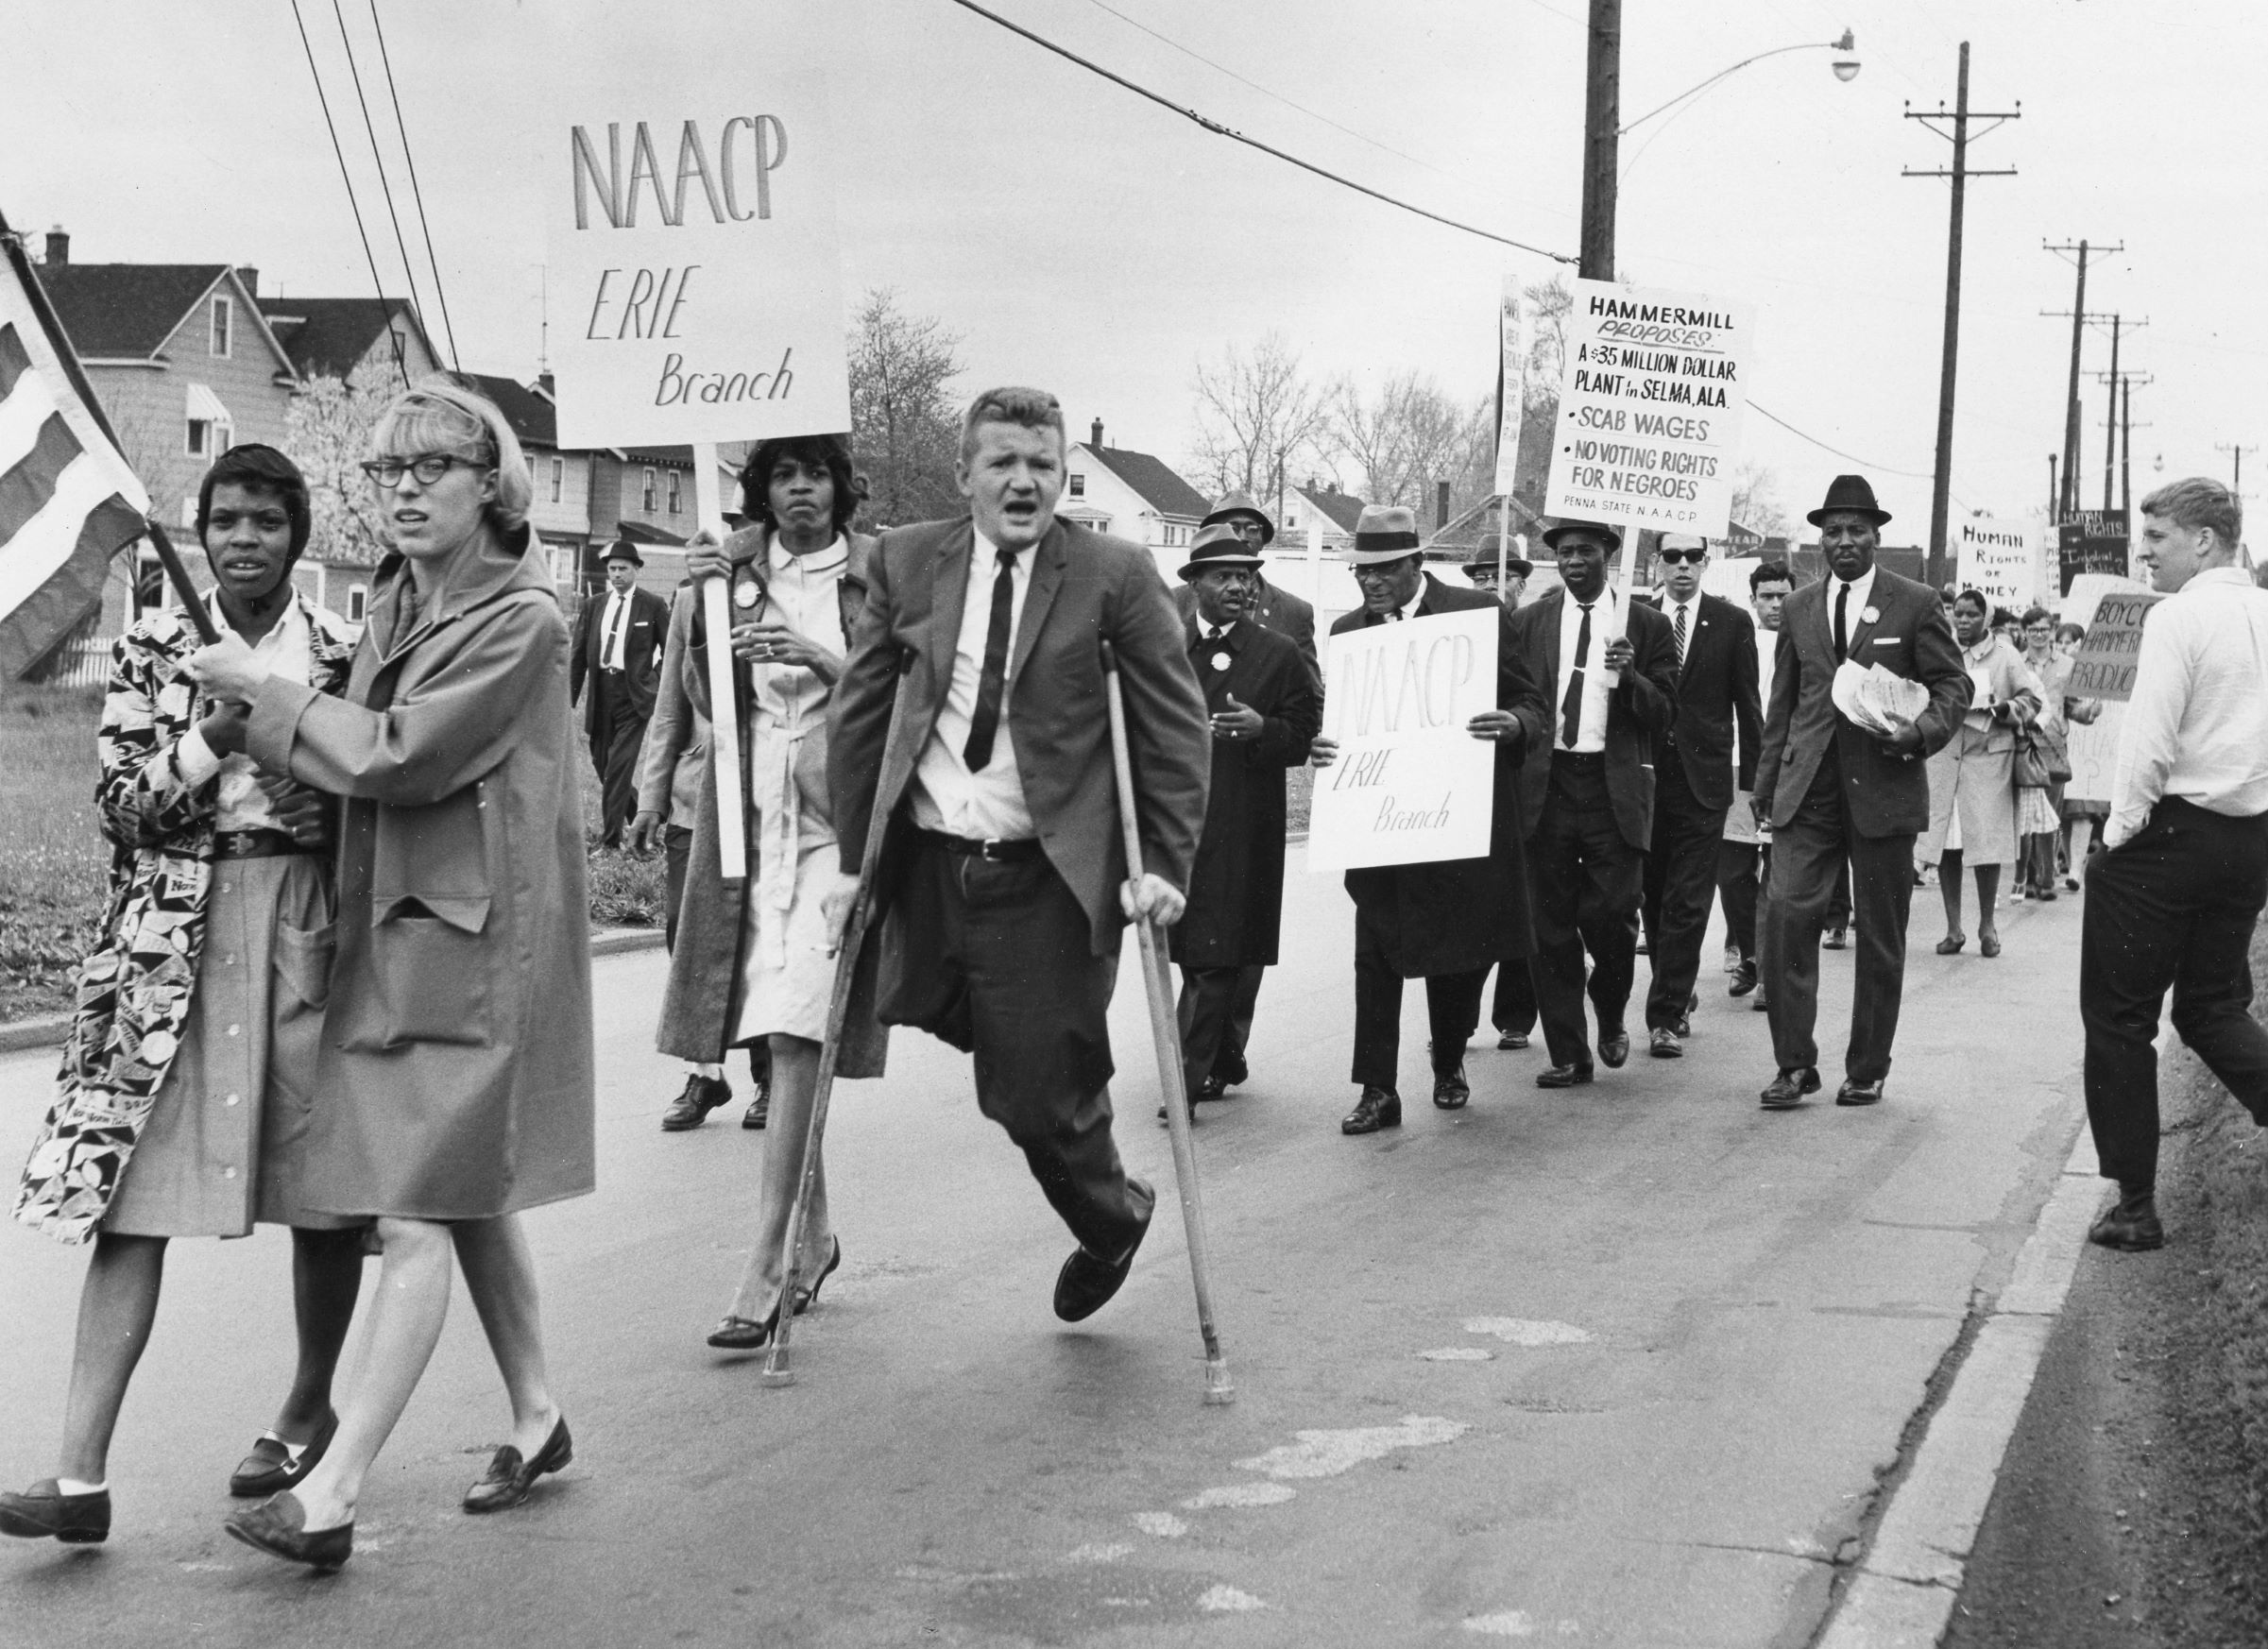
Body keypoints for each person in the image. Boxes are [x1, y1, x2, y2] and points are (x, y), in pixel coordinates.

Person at [189, 380, 595, 1569]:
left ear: (493, 483)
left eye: (433, 469)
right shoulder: (398, 600)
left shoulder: (525, 622)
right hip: (404, 936)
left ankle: (335, 1492)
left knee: (416, 1212)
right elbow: (352, 759)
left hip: (478, 952)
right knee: (465, 1197)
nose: (407, 491)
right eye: (388, 472)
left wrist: (267, 698)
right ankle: (537, 1416)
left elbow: (402, 755)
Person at [3, 447, 366, 1549]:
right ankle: (77, 1473)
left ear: (298, 535)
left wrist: (332, 820)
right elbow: (121, 805)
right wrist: (215, 731)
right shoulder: (159, 643)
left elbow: (387, 783)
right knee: (135, 1195)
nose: (245, 538)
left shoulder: (345, 650)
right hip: (172, 943)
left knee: (327, 1193)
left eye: (265, 520)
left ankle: (306, 1411)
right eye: (226, 520)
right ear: (201, 533)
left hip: (306, 923)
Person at [828, 387, 1209, 1324]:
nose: (1023, 481)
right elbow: (863, 714)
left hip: (1048, 874)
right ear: (964, 475)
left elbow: (1171, 731)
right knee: (978, 1044)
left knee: (1031, 1095)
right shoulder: (908, 562)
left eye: (1042, 464)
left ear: (1062, 474)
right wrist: (852, 865)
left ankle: (1111, 1216)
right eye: (1001, 462)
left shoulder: (1114, 576)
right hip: (932, 866)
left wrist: (1161, 862)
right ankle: (1055, 1063)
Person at [651, 434, 878, 1351]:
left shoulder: (870, 575)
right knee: (774, 1030)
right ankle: (816, 1237)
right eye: (782, 476)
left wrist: (818, 657)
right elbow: (707, 694)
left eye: (814, 475)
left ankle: (768, 1257)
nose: (799, 492)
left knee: (794, 1031)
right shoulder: (730, 571)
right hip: (749, 830)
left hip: (833, 825)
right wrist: (697, 605)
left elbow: (901, 690)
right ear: (761, 490)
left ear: (838, 487)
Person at [1311, 506, 1548, 1129]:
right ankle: (1376, 1090)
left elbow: (1529, 700)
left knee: (1456, 949)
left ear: (1416, 562)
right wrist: (1325, 749)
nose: (1371, 582)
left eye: (1384, 568)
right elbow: (1343, 722)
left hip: (1454, 817)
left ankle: (1448, 1061)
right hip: (1381, 822)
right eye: (1362, 571)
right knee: (1376, 954)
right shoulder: (1348, 631)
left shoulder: (1476, 614)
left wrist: (1516, 723)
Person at [2079, 477, 2268, 1251]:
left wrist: (2116, 838)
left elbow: (2146, 745)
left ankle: (2134, 1207)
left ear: (2203, 540)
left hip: (2169, 836)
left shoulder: (2178, 616)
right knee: (2209, 1006)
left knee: (2118, 1020)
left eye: (2155, 537)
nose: (2142, 552)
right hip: (2250, 836)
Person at [1752, 475, 1970, 1110]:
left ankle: (1867, 1066)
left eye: (1855, 531)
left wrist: (1920, 731)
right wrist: (1766, 785)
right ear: (1819, 540)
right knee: (1788, 919)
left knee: (1879, 934)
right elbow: (1783, 703)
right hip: (1806, 791)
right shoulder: (1797, 608)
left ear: (1877, 537)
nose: (1843, 542)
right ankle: (1793, 1065)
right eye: (1831, 533)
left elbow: (1953, 686)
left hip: (1882, 787)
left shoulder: (1916, 602)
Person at [1505, 519, 1678, 1087]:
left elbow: (1665, 715)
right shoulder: (1529, 622)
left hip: (1612, 789)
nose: (1574, 561)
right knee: (1548, 926)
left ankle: (1609, 1010)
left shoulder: (1645, 625)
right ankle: (1568, 1052)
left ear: (1610, 553)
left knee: (1612, 916)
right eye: (1564, 553)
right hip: (1547, 785)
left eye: (1586, 551)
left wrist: (1630, 678)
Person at [1166, 524, 1322, 1115]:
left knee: (1214, 949)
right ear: (1195, 584)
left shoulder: (1276, 652)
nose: (1238, 585)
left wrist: (1266, 731)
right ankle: (1224, 1055)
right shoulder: (1166, 646)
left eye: (1245, 575)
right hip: (1180, 820)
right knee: (1201, 945)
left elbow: (1304, 730)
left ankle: (1184, 1078)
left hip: (1241, 820)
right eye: (1223, 576)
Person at [627, 573, 770, 1131]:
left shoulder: (788, 587)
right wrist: (651, 798)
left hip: (763, 797)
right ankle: (707, 1073)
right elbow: (669, 709)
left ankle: (771, 1076)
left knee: (755, 940)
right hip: (695, 799)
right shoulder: (691, 598)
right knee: (683, 930)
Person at [1638, 534, 1762, 1057]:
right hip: (1645, 778)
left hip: (1706, 780)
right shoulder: (1635, 619)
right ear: (1657, 563)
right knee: (1652, 892)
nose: (1683, 566)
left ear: (1706, 563)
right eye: (1673, 557)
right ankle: (1677, 982)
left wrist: (1756, 787)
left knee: (1689, 897)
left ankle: (1665, 1014)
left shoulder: (1732, 623)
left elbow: (1748, 706)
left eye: (1693, 558)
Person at [1917, 589, 2042, 957]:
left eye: (1972, 615)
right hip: (1945, 757)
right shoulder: (1941, 650)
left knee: (1985, 845)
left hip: (1987, 760)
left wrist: (2002, 709)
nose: (1963, 621)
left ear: (1987, 619)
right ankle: (1953, 928)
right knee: (1948, 845)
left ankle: (1988, 924)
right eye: (1959, 614)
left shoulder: (2006, 656)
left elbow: (2030, 701)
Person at [1465, 533, 1541, 1048]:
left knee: (1524, 900)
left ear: (1521, 581)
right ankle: (1459, 1019)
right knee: (1469, 904)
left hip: (1535, 776)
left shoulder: (1535, 626)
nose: (1492, 585)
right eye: (1481, 577)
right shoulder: (1460, 628)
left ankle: (1515, 1015)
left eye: (1501, 576)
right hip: (1474, 781)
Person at [1718, 559, 1792, 1009]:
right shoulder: (1738, 639)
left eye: (1784, 596)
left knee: (1779, 873)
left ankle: (1767, 968)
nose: (1776, 605)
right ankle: (1750, 952)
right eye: (1767, 596)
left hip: (1787, 769)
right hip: (1739, 768)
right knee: (1731, 871)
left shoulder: (1805, 642)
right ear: (1753, 600)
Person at [570, 540, 669, 847]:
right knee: (602, 765)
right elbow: (576, 657)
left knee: (617, 768)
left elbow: (672, 651)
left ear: (636, 569)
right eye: (612, 569)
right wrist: (565, 705)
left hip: (634, 696)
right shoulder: (594, 605)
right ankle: (642, 823)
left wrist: (652, 681)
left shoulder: (652, 604)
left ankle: (611, 840)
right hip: (601, 694)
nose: (616, 575)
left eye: (623, 568)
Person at [2017, 604, 2099, 900]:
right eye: (2033, 629)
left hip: (2053, 748)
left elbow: (2073, 708)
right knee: (2024, 815)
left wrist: (2089, 711)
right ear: (2024, 633)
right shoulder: (2016, 663)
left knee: (2050, 816)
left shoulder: (2067, 665)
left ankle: (2046, 878)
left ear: (2051, 631)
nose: (2039, 635)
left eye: (2044, 629)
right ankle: (2024, 878)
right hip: (2022, 747)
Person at [1463, 536, 1534, 610]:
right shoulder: (1461, 620)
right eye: (1480, 579)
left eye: (1501, 578)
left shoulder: (1533, 621)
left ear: (1521, 587)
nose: (1489, 586)